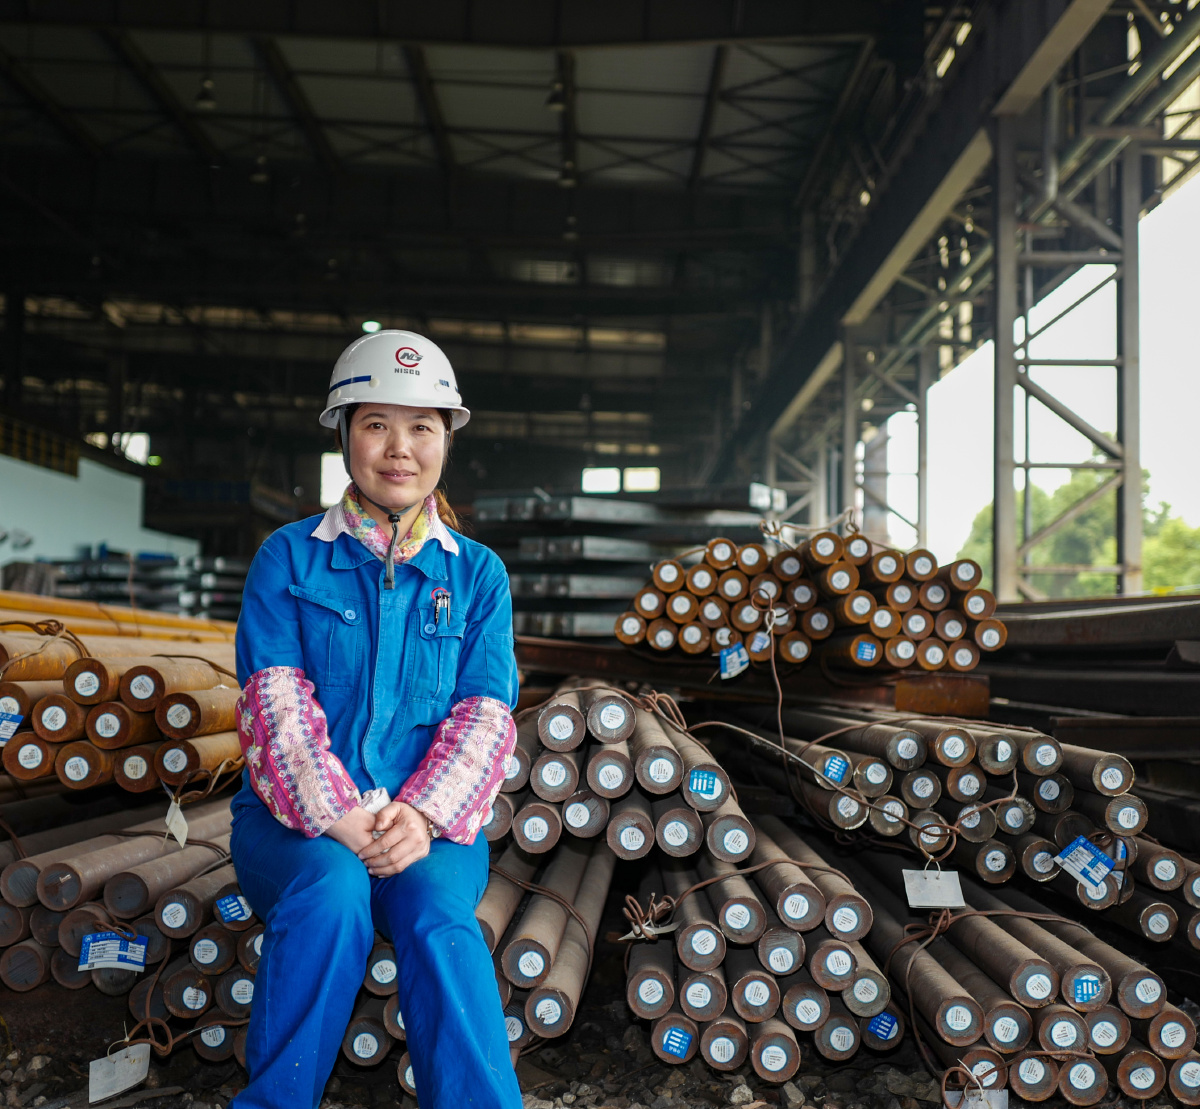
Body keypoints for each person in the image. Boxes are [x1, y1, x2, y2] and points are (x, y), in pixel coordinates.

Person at [229, 330, 522, 1109]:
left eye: (423, 425)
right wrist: (339, 815)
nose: (401, 448)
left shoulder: (478, 576)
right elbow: (274, 709)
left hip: (427, 826)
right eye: (376, 424)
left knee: (437, 917)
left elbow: (485, 715)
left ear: (447, 439)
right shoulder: (287, 560)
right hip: (296, 826)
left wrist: (421, 814)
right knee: (329, 895)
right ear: (344, 431)